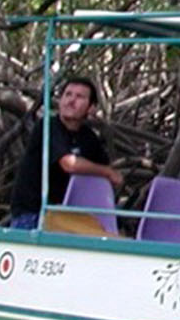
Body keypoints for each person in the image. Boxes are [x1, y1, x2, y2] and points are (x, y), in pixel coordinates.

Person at [7, 76, 122, 228]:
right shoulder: (48, 126)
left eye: (79, 97)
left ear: (91, 108)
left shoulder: (89, 138)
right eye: (67, 95)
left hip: (67, 217)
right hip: (34, 215)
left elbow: (106, 178)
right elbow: (68, 163)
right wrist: (107, 172)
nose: (71, 101)